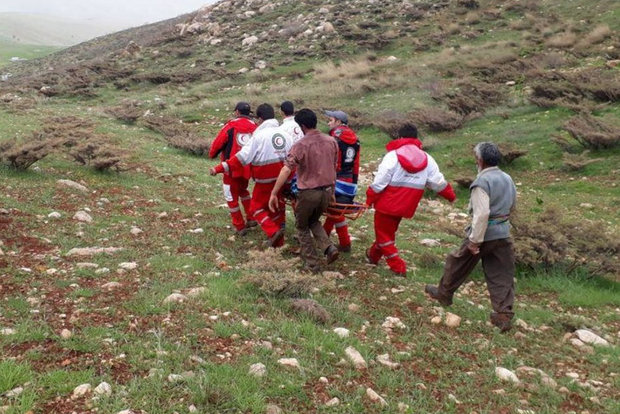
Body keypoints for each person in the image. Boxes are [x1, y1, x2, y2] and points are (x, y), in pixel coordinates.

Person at [425, 142, 517, 332]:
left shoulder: (481, 183)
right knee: (501, 273)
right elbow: (512, 204)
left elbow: (481, 214)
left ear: (480, 160)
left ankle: (444, 293)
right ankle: (503, 314)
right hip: (503, 232)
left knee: (458, 261)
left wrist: (475, 241)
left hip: (485, 233)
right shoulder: (507, 178)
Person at [365, 123, 456, 276]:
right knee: (388, 232)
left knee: (383, 235)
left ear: (400, 137)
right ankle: (373, 256)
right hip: (407, 205)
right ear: (416, 138)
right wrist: (450, 196)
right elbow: (437, 182)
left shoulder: (392, 155)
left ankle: (398, 267)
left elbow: (380, 181)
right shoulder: (428, 158)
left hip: (387, 203)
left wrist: (369, 199)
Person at [211, 104, 293, 247]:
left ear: (260, 119)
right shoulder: (286, 134)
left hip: (264, 179)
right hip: (283, 178)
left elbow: (240, 157)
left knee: (255, 207)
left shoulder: (257, 135)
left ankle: (271, 232)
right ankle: (279, 242)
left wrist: (219, 168)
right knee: (276, 207)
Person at [268, 108, 339, 273]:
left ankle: (312, 263)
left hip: (308, 192)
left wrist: (273, 192)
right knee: (313, 221)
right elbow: (333, 167)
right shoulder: (331, 141)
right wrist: (333, 191)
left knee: (301, 226)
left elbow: (286, 169)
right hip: (327, 190)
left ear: (301, 125)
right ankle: (329, 248)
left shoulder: (300, 145)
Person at [208, 102, 257, 235]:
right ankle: (251, 217)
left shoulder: (230, 126)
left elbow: (218, 143)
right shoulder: (255, 127)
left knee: (231, 196)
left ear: (237, 112)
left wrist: (212, 154)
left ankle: (239, 225)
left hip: (230, 167)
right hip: (247, 168)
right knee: (244, 191)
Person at [323, 110, 360, 253]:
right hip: (349, 181)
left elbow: (330, 162)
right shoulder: (355, 139)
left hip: (335, 181)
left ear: (338, 122)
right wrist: (354, 184)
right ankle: (343, 242)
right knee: (337, 211)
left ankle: (324, 239)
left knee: (334, 210)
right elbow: (356, 164)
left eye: (331, 120)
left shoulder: (334, 138)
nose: (328, 123)